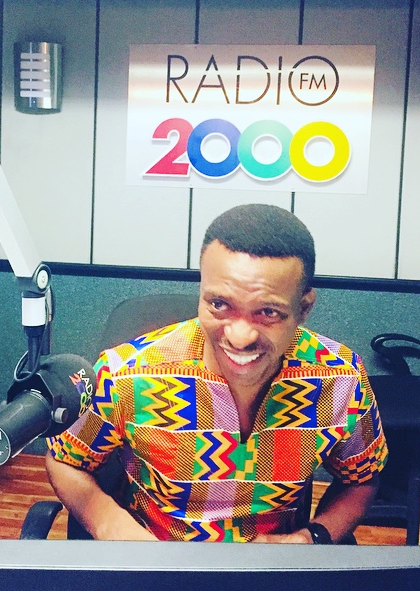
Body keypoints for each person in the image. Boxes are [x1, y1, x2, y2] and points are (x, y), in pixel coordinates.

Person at [46, 204, 388, 543]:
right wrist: (109, 523)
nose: (240, 337)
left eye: (268, 312)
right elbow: (64, 460)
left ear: (303, 308)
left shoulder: (342, 380)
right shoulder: (126, 374)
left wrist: (311, 537)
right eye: (219, 305)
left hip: (270, 564)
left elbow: (363, 479)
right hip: (158, 558)